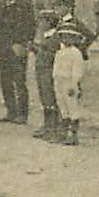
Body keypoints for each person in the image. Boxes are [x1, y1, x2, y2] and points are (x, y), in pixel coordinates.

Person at [0, 0, 31, 124]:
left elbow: (30, 26)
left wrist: (22, 43)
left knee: (19, 81)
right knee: (5, 81)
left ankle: (22, 114)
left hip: (16, 47)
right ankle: (11, 111)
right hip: (1, 48)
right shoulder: (0, 4)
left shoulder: (24, 6)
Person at [52, 24, 87, 146]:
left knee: (72, 107)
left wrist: (74, 84)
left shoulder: (76, 53)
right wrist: (55, 80)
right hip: (59, 81)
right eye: (64, 37)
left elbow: (77, 70)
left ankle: (74, 135)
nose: (66, 39)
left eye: (70, 37)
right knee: (62, 106)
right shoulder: (60, 52)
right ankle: (63, 133)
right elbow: (56, 68)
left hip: (69, 82)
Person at [30, 8, 61, 142]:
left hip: (49, 71)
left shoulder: (55, 37)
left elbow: (53, 55)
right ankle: (47, 126)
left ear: (49, 22)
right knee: (44, 98)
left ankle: (53, 127)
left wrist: (39, 50)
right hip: (42, 70)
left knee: (50, 99)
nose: (39, 24)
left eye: (42, 21)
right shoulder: (45, 35)